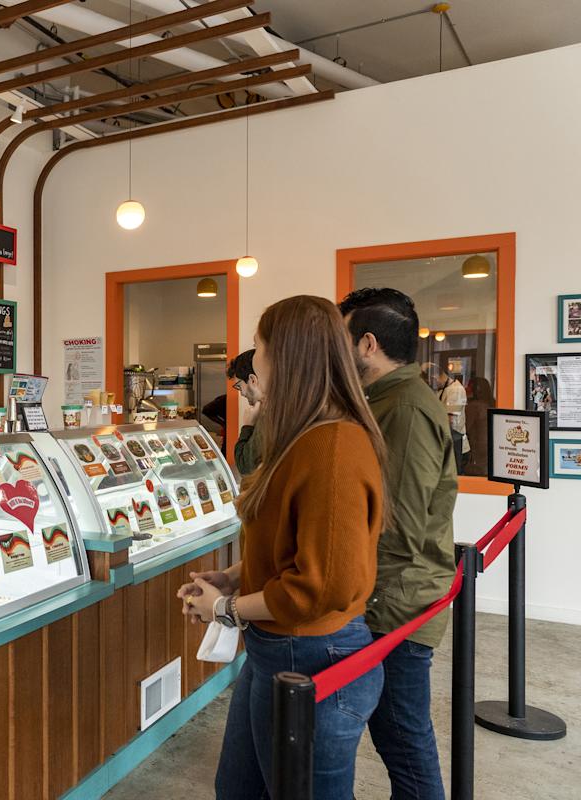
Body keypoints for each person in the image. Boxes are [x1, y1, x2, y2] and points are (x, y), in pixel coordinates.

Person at [179, 295, 386, 800]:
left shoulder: (333, 448)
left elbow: (322, 585)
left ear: (286, 356)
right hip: (276, 649)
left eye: (259, 347)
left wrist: (225, 608)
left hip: (312, 654)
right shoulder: (303, 436)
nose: (254, 360)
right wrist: (235, 577)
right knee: (238, 787)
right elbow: (295, 544)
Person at [339, 287, 457, 800]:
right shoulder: (382, 401)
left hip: (397, 608)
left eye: (341, 339)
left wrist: (356, 600)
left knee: (403, 741)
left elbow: (399, 529)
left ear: (367, 344)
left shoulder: (405, 408)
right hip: (388, 600)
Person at [226, 349, 263, 474]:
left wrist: (248, 426)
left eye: (239, 385)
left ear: (252, 380)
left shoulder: (270, 415)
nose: (241, 393)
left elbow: (245, 466)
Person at [439, 370, 468, 471]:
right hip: (448, 442)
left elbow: (450, 420)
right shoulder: (443, 389)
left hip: (455, 444)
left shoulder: (456, 390)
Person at [465, 376, 494, 476]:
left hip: (478, 446)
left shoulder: (474, 406)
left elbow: (465, 427)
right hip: (490, 444)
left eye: (469, 387)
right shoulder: (492, 402)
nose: (466, 388)